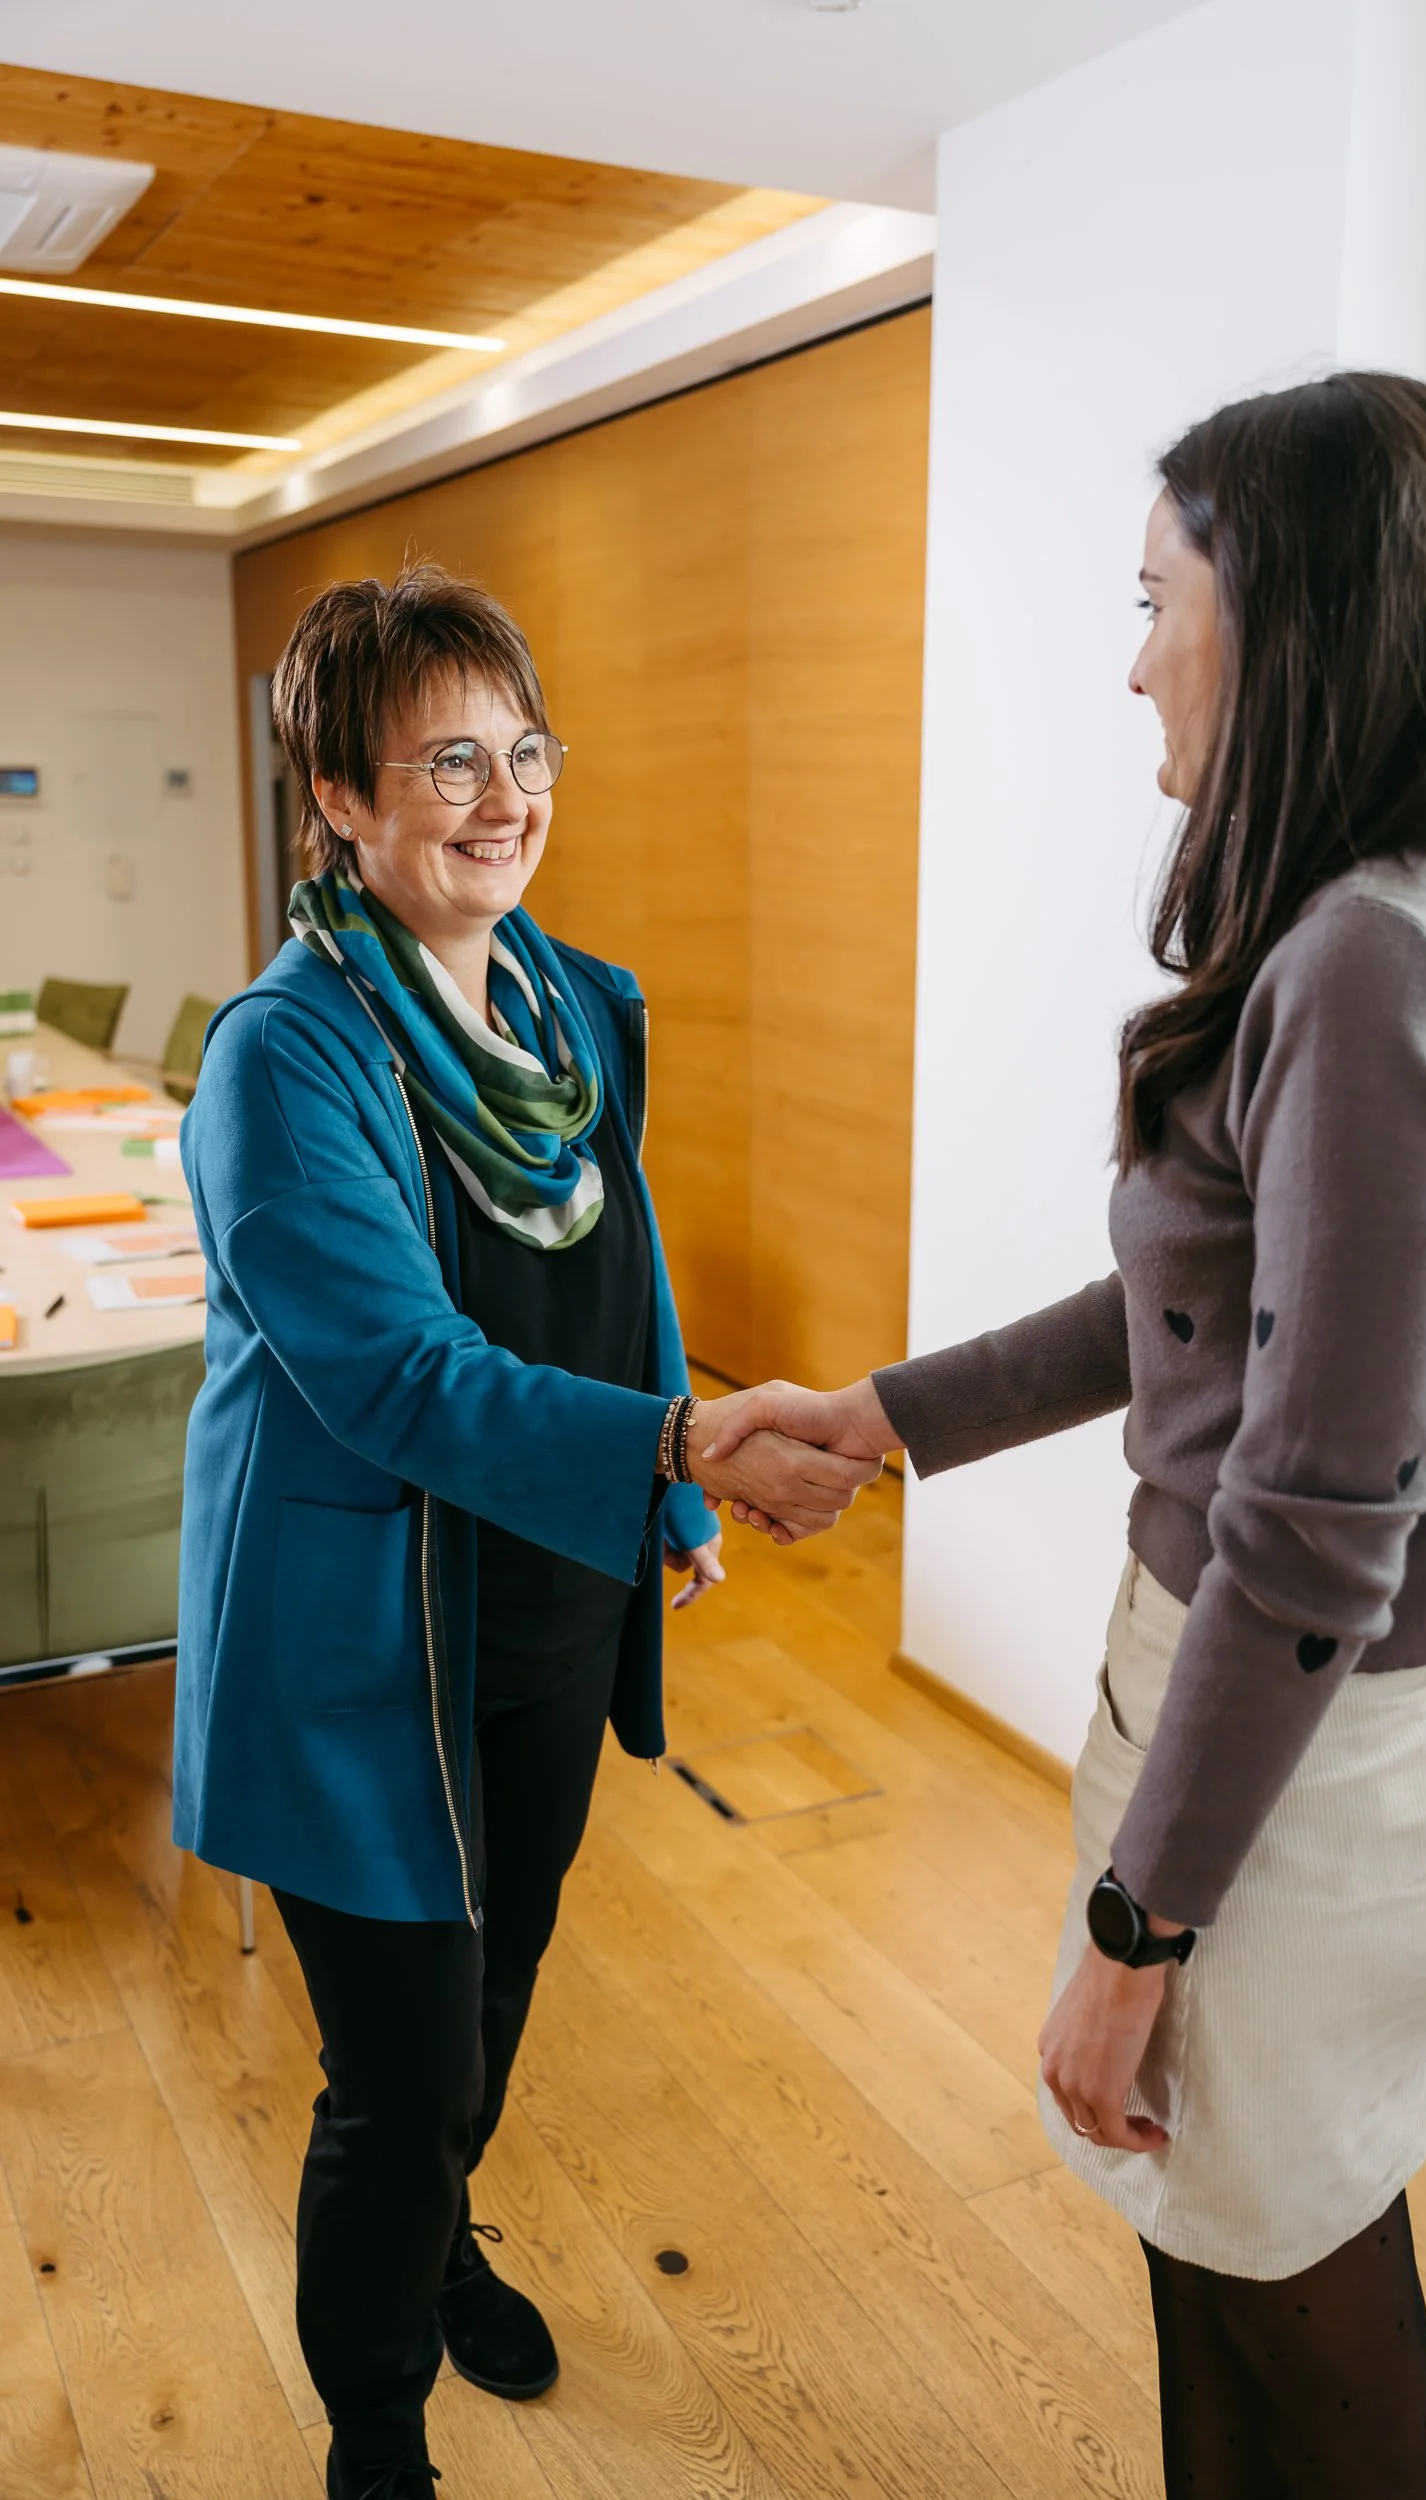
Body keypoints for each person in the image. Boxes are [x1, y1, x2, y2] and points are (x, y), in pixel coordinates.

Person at [708, 373, 1426, 2498]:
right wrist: (877, 1416)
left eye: (1155, 600)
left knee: (1282, 2322)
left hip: (1299, 1788)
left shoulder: (1361, 963)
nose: (1132, 654)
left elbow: (1312, 1520)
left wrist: (1137, 1937)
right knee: (1248, 2266)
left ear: (1284, 613)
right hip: (1378, 1753)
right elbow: (1201, 1308)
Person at [173, 565, 876, 2500]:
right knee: (398, 2081)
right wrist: (688, 1436)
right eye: (446, 763)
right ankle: (373, 2426)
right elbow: (396, 1374)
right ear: (336, 796)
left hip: (546, 1604)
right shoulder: (285, 1054)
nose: (502, 798)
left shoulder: (568, 1001)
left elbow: (615, 1255)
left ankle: (442, 2244)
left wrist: (661, 1485)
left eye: (525, 751)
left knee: (486, 2015)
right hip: (357, 1648)